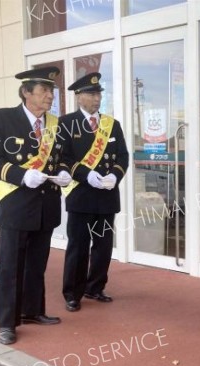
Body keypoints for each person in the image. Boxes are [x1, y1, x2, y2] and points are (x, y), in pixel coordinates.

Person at [0, 66, 72, 345]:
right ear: (26, 92)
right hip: (16, 205)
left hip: (46, 205)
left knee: (36, 265)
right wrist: (22, 175)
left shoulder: (56, 125)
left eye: (52, 91)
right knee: (10, 266)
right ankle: (7, 322)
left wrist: (66, 171)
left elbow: (64, 157)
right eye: (44, 91)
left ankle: (33, 311)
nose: (50, 96)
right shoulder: (2, 118)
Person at [59, 72, 129, 312]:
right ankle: (73, 293)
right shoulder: (66, 124)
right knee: (78, 246)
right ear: (79, 97)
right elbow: (64, 158)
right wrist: (86, 174)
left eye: (98, 93)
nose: (96, 99)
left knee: (103, 245)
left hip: (107, 196)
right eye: (90, 94)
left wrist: (115, 175)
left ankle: (95, 287)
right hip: (80, 195)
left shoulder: (112, 124)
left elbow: (123, 156)